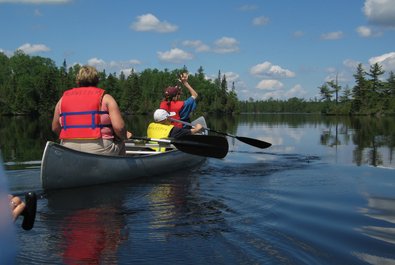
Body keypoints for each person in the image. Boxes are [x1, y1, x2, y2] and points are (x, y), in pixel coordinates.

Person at [52, 65, 132, 156]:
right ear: (97, 80)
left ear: (78, 81)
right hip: (100, 148)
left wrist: (70, 138)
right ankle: (120, 168)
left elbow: (55, 128)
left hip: (68, 148)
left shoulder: (62, 100)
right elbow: (119, 128)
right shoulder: (106, 99)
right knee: (120, 141)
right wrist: (125, 135)